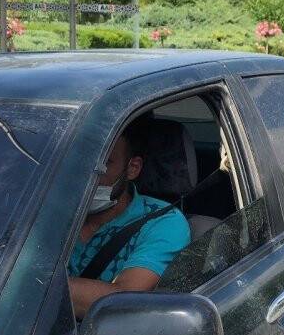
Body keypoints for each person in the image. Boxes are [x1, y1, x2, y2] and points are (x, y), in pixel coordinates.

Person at [67, 115, 191, 319]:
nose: (83, 178)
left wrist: (23, 285)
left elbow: (123, 302)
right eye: (75, 164)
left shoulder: (162, 221)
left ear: (132, 168)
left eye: (100, 167)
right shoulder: (42, 212)